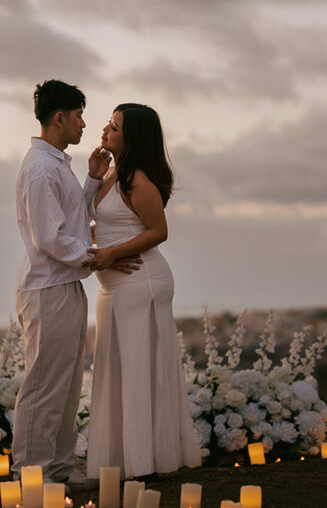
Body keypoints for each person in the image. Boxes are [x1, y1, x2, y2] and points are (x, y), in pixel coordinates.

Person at [12, 80, 138, 485]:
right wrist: (98, 257)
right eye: (80, 115)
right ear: (60, 117)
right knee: (45, 385)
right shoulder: (40, 169)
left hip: (64, 285)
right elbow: (49, 238)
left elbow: (71, 222)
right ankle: (31, 476)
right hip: (47, 288)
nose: (86, 124)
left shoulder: (57, 165)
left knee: (66, 385)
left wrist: (92, 181)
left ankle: (61, 468)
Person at [84, 103, 201, 480]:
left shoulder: (136, 178)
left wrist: (113, 254)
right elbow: (100, 228)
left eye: (114, 126)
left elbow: (158, 231)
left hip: (141, 281)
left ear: (131, 137)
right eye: (109, 122)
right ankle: (122, 460)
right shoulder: (113, 175)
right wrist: (93, 177)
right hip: (116, 284)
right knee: (118, 371)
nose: (105, 130)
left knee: (137, 370)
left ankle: (144, 464)